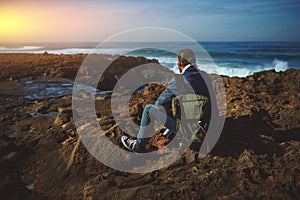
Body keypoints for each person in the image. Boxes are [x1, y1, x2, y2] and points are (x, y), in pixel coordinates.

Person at [121, 49, 211, 152]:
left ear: (179, 63)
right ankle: (171, 133)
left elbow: (159, 103)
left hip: (194, 134)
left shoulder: (179, 80)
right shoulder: (205, 76)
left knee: (149, 109)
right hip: (210, 129)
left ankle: (138, 145)